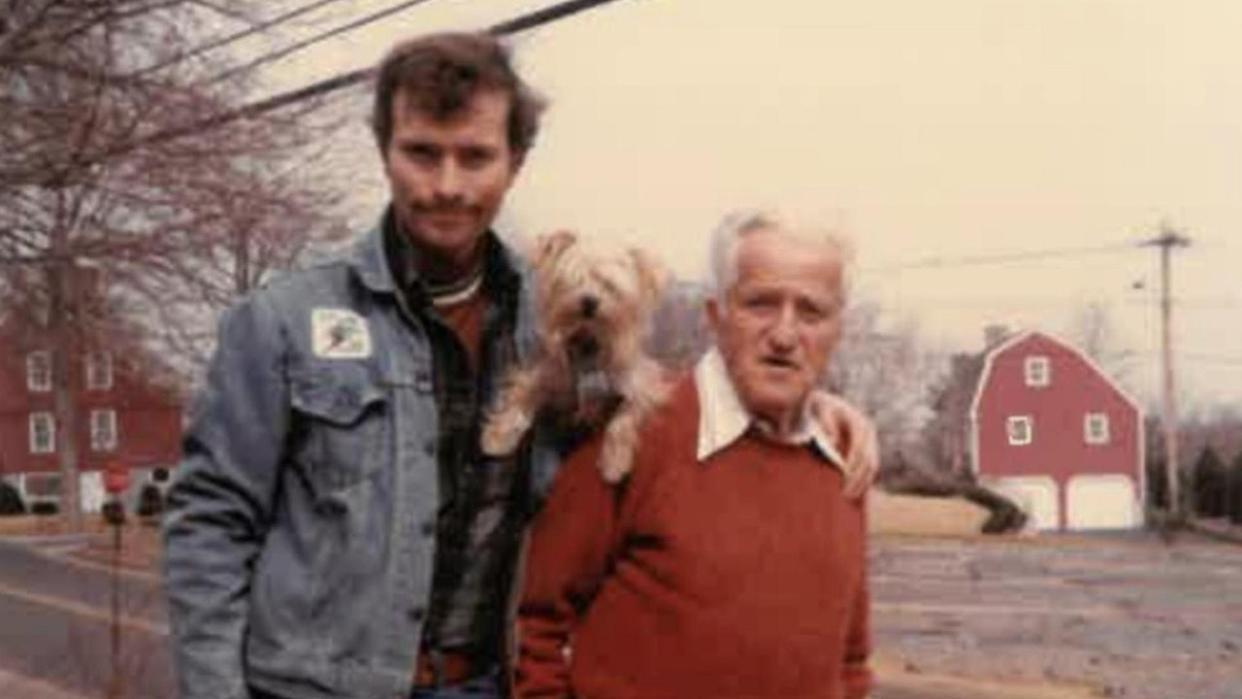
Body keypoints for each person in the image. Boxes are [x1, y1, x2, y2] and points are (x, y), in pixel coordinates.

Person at [163, 33, 557, 699]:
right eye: (422, 153)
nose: (447, 185)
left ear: (515, 162)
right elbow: (211, 521)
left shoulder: (548, 325)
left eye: (476, 156)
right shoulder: (282, 317)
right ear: (385, 151)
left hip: (484, 684)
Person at [514, 210, 874, 699]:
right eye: (760, 304)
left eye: (811, 311)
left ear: (837, 330)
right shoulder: (632, 432)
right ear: (715, 316)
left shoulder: (844, 464)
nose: (785, 335)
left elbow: (850, 664)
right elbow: (534, 625)